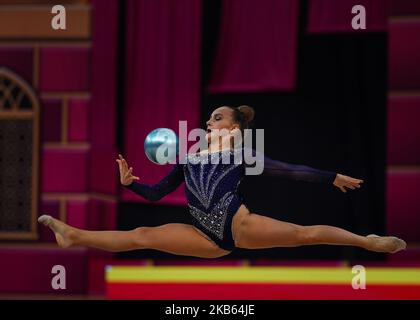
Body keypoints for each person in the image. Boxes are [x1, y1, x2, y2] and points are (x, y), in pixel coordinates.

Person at [38, 105, 406, 258]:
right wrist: (130, 182)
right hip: (205, 236)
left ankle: (367, 241)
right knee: (141, 236)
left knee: (303, 234)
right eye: (210, 119)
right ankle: (73, 235)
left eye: (216, 118)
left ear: (232, 127)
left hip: (239, 224)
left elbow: (289, 170)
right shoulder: (187, 158)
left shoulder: (241, 153)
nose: (209, 122)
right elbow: (154, 195)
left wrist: (331, 178)